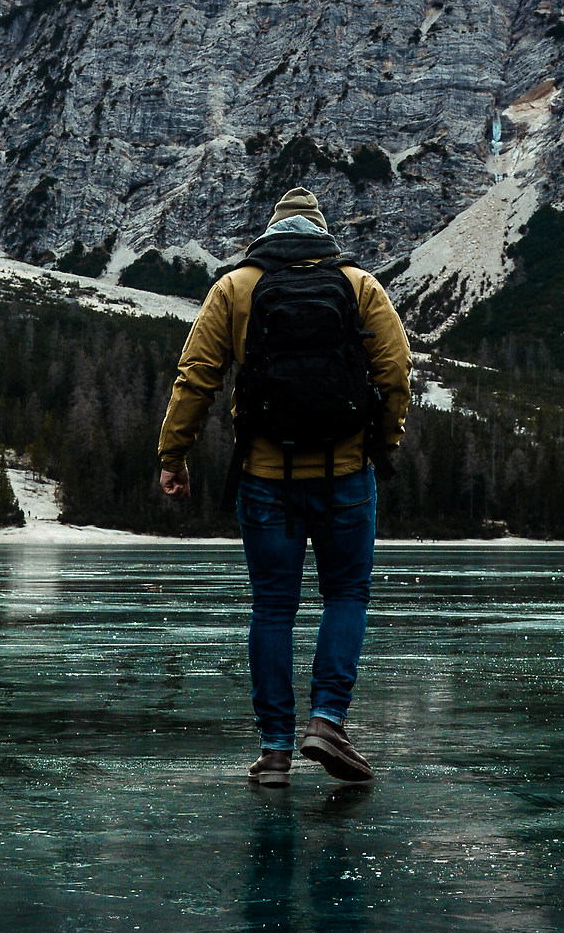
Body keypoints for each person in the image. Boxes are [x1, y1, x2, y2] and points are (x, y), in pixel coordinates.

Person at [157, 186, 411, 785]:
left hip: (264, 478)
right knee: (345, 594)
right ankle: (326, 719)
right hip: (346, 473)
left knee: (273, 607)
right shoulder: (359, 286)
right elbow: (396, 369)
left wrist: (174, 454)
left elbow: (196, 378)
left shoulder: (234, 288)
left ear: (271, 231)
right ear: (321, 232)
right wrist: (385, 443)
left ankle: (274, 751)